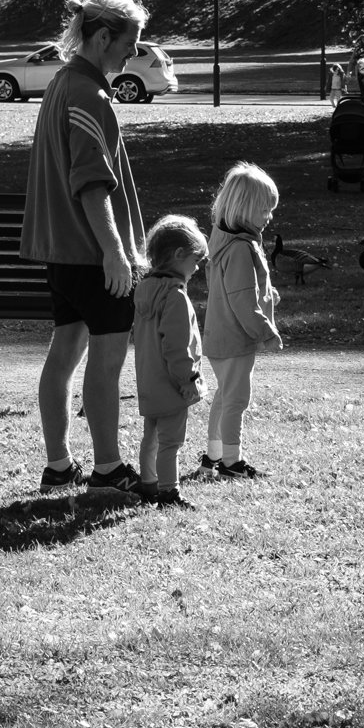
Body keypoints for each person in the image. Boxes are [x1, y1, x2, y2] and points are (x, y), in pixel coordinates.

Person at [21, 0, 149, 496]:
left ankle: (58, 465)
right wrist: (116, 254)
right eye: (130, 43)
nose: (133, 54)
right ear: (102, 37)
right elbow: (91, 184)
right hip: (91, 254)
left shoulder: (60, 82)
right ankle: (108, 470)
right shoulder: (89, 95)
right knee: (106, 360)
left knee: (64, 353)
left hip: (60, 253)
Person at [201, 161, 282, 478]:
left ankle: (213, 455)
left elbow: (235, 290)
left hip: (219, 335)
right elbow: (242, 301)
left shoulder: (224, 242)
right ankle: (231, 463)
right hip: (235, 339)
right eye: (264, 209)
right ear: (246, 210)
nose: (269, 216)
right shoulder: (239, 249)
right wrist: (267, 332)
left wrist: (267, 294)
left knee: (224, 395)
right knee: (237, 399)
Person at [133, 214, 208, 508]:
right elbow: (178, 347)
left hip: (148, 380)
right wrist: (189, 380)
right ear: (179, 255)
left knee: (150, 437)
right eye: (195, 259)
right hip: (171, 384)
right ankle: (169, 492)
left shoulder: (144, 291)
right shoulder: (175, 297)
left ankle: (148, 484)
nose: (197, 266)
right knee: (171, 443)